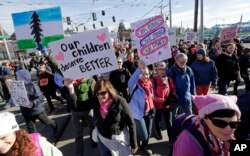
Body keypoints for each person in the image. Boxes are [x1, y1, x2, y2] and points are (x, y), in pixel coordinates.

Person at [65, 79, 138, 156]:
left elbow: (131, 123)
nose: (100, 96)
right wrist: (71, 88)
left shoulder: (119, 101)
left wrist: (134, 144)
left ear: (109, 91)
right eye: (97, 93)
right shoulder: (95, 100)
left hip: (117, 140)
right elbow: (76, 107)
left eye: (103, 93)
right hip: (102, 140)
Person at [173, 94, 241, 156]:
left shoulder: (225, 135)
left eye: (234, 123)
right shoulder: (188, 144)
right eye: (220, 123)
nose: (229, 129)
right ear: (205, 119)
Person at [15, 69, 58, 135]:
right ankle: (35, 141)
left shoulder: (32, 85)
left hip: (37, 110)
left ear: (24, 77)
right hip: (26, 111)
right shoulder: (17, 87)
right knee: (31, 129)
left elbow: (40, 97)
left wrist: (33, 103)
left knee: (46, 121)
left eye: (18, 76)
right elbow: (16, 97)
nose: (17, 78)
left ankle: (54, 125)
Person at [128, 60, 155, 155]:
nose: (145, 76)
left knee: (148, 131)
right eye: (143, 74)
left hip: (149, 111)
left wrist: (152, 107)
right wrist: (140, 68)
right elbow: (131, 81)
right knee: (142, 133)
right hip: (138, 113)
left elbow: (152, 95)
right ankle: (136, 145)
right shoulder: (134, 85)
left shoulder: (150, 83)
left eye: (147, 74)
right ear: (139, 74)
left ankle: (145, 146)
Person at [70, 77, 96, 156]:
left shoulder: (89, 80)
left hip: (87, 110)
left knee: (92, 126)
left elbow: (93, 95)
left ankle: (93, 141)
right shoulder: (69, 80)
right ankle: (79, 153)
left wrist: (91, 108)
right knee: (78, 133)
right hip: (75, 112)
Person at [152, 62, 176, 140]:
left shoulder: (169, 79)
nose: (162, 71)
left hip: (167, 105)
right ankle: (158, 132)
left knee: (168, 122)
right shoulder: (153, 80)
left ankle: (171, 137)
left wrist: (170, 99)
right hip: (157, 105)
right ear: (157, 70)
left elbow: (173, 90)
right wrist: (162, 100)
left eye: (164, 69)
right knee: (157, 120)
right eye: (160, 69)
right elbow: (152, 95)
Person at [167, 53, 196, 117]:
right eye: (182, 62)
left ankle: (189, 126)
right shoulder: (171, 71)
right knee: (173, 116)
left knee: (189, 116)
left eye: (185, 62)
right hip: (175, 99)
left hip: (187, 98)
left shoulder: (188, 70)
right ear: (176, 60)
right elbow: (167, 86)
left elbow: (192, 83)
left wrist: (193, 95)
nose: (184, 64)